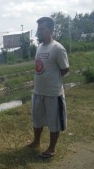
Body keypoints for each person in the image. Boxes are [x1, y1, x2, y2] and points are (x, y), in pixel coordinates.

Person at [26, 17, 70, 159]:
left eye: (42, 29)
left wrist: (53, 80)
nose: (39, 32)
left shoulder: (58, 48)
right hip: (38, 92)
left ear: (51, 30)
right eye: (38, 29)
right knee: (37, 119)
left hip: (53, 93)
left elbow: (65, 69)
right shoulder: (39, 47)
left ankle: (51, 148)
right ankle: (36, 142)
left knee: (54, 121)